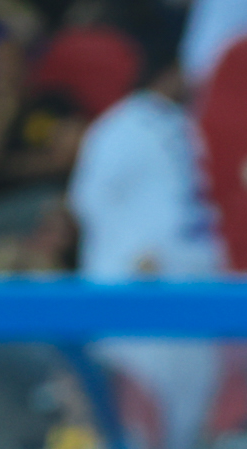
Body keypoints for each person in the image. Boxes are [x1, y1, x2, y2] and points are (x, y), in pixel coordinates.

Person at [69, 52, 218, 282]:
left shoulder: (185, 123)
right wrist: (131, 253)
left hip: (189, 275)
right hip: (134, 276)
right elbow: (88, 199)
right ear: (169, 74)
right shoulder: (120, 126)